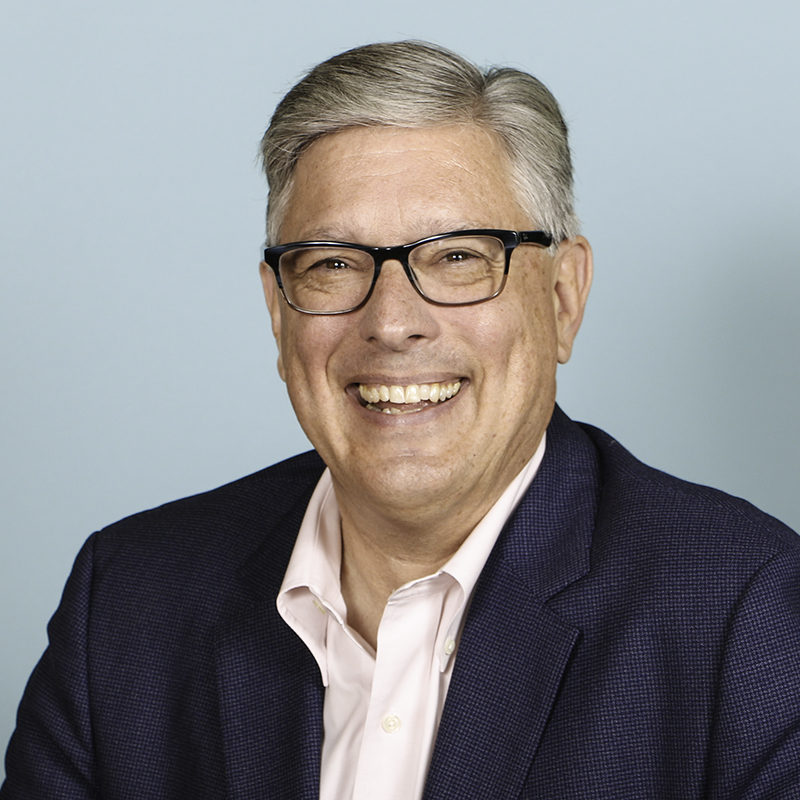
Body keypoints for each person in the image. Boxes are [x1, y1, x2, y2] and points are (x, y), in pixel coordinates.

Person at [3, 40, 800, 800]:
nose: (391, 322)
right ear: (278, 315)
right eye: (332, 263)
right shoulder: (128, 600)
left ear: (563, 297)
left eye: (458, 256)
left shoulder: (746, 613)